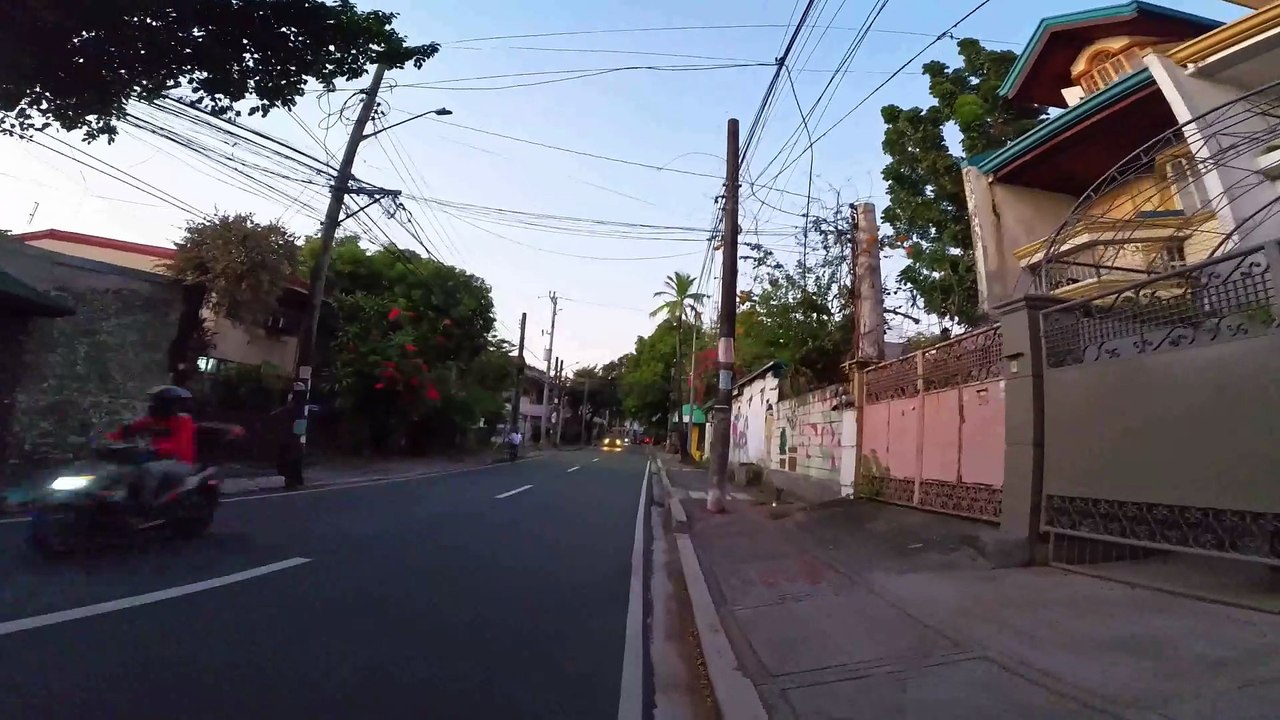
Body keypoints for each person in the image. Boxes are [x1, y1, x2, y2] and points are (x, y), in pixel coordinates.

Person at [108, 385, 197, 509]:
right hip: (156, 457)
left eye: (160, 403)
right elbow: (130, 430)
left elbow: (179, 446)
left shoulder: (184, 421)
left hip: (179, 461)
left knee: (149, 469)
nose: (154, 406)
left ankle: (145, 506)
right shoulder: (152, 420)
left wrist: (154, 449)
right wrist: (109, 438)